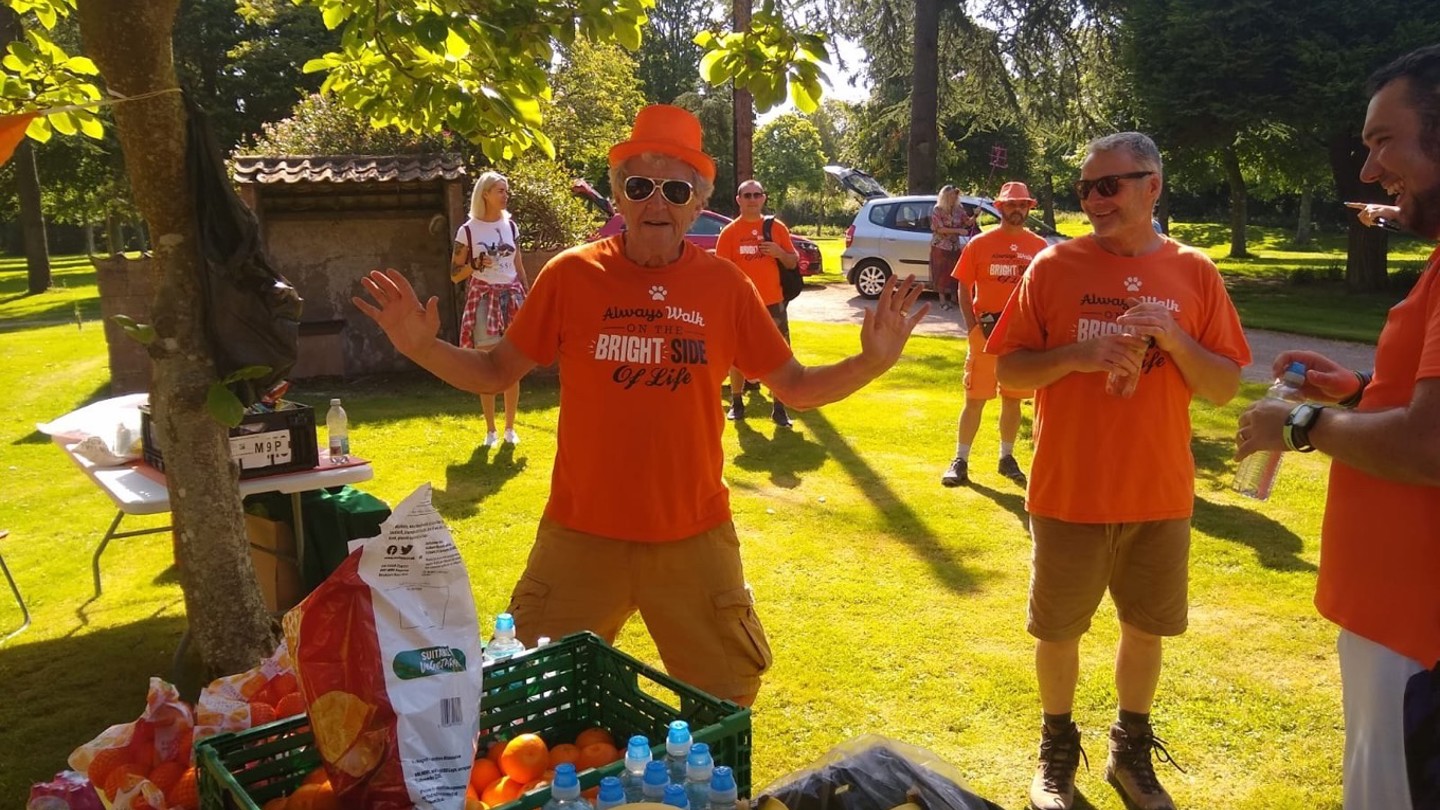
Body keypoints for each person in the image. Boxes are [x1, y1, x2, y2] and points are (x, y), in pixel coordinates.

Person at [353, 104, 927, 706]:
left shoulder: (725, 286)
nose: (657, 203)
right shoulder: (571, 275)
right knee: (535, 703)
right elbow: (495, 370)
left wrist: (872, 362)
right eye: (639, 186)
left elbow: (797, 386)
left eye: (675, 189)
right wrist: (421, 346)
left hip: (693, 537)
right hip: (581, 533)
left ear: (698, 202)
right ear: (618, 197)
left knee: (723, 700)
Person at [988, 132, 1251, 810]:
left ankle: (1128, 751)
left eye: (1109, 186)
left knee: (1146, 626)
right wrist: (1078, 355)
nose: (1094, 200)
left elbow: (1223, 386)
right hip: (1069, 488)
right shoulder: (1051, 267)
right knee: (1058, 631)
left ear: (1153, 186)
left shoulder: (1195, 273)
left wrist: (1173, 337)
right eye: (1084, 189)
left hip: (1159, 491)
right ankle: (1056, 752)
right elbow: (1008, 372)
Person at [1236, 45, 1440, 810]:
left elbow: (1432, 445)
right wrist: (1359, 389)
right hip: (1400, 619)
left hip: (1417, 631)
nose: (1366, 169)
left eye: (1385, 140)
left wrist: (1300, 422)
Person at [941, 180, 1047, 489]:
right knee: (975, 399)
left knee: (1013, 401)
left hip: (1021, 337)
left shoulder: (1039, 247)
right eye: (1011, 204)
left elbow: (1045, 293)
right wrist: (972, 327)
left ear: (1029, 208)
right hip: (985, 333)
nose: (1018, 209)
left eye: (1023, 205)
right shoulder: (979, 244)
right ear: (999, 207)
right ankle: (960, 460)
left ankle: (1007, 457)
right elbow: (963, 286)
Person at [715, 178, 800, 427]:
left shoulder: (777, 228)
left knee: (779, 356)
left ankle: (779, 407)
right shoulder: (729, 233)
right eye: (747, 195)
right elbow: (722, 273)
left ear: (763, 198)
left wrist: (779, 253)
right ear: (738, 200)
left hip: (774, 302)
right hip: (742, 305)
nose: (752, 200)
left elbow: (793, 262)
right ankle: (737, 402)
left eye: (756, 195)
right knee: (737, 356)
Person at [452, 171, 529, 447]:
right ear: (485, 194)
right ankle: (490, 430)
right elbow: (455, 274)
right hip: (484, 298)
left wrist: (527, 295)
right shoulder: (468, 231)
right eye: (500, 190)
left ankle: (510, 428)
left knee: (511, 364)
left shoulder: (511, 225)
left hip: (512, 297)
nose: (505, 195)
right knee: (487, 365)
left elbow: (518, 264)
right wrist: (475, 265)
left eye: (506, 190)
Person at [929, 185, 969, 310]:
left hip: (954, 247)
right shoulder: (938, 210)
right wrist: (958, 231)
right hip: (940, 246)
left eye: (955, 194)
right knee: (941, 273)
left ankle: (953, 298)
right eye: (952, 194)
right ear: (945, 196)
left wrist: (975, 216)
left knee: (954, 272)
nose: (954, 197)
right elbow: (940, 229)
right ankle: (942, 301)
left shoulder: (959, 209)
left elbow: (967, 222)